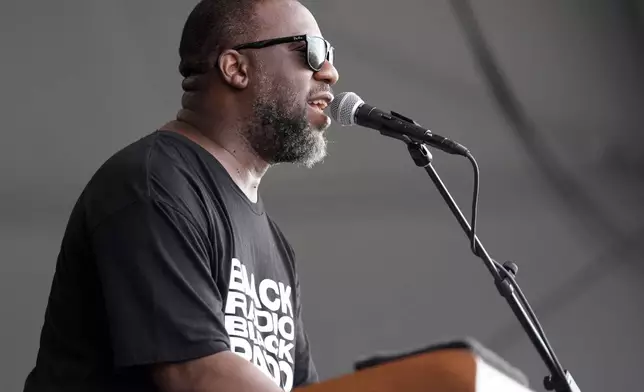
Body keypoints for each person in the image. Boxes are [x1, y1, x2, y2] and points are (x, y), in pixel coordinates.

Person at [23, 0, 339, 391]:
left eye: (329, 53)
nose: (329, 71)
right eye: (310, 50)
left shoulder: (275, 245)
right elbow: (194, 375)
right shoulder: (153, 184)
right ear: (236, 68)